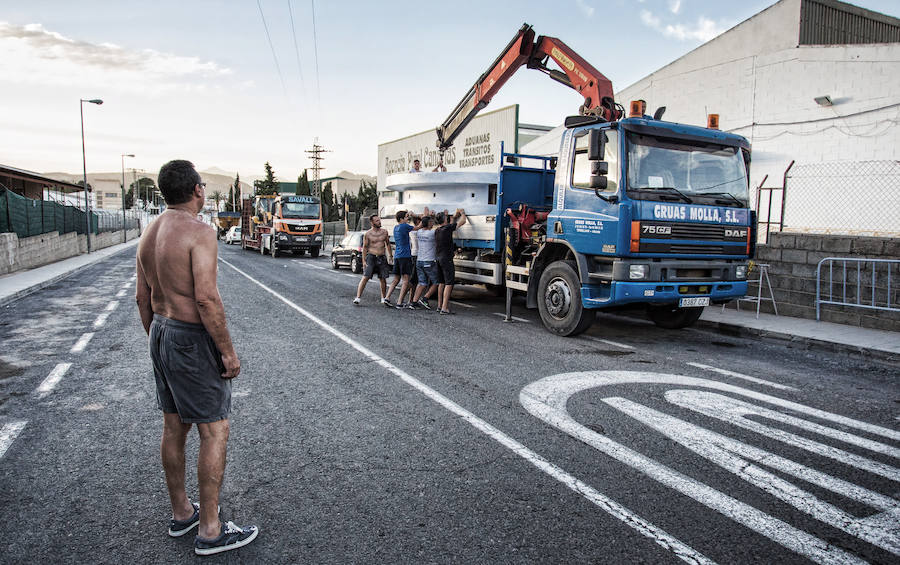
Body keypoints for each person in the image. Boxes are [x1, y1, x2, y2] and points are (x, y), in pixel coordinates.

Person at [135, 160, 258, 556]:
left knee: (174, 426)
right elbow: (206, 298)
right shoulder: (200, 232)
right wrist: (227, 352)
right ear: (197, 191)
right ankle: (210, 530)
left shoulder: (149, 233)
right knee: (214, 429)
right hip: (188, 336)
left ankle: (182, 513)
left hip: (161, 331)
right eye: (202, 185)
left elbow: (142, 298)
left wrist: (160, 340)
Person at [353, 214, 393, 306]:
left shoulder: (384, 232)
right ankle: (358, 297)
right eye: (377, 221)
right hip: (371, 257)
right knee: (365, 277)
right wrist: (363, 261)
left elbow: (388, 244)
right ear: (372, 222)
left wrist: (390, 255)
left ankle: (383, 298)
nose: (379, 222)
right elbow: (365, 248)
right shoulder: (368, 234)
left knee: (382, 278)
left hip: (382, 257)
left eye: (379, 220)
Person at [434, 209, 467, 314]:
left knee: (441, 282)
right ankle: (444, 308)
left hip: (438, 258)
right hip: (446, 259)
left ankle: (439, 306)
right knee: (449, 283)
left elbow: (452, 223)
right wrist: (462, 214)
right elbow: (463, 221)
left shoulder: (438, 230)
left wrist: (454, 216)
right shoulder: (447, 228)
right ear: (445, 220)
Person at [384, 210, 416, 309]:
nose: (408, 219)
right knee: (406, 280)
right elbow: (418, 227)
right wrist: (415, 215)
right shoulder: (404, 226)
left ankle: (387, 297)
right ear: (401, 219)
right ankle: (399, 302)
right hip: (405, 256)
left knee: (396, 279)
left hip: (397, 255)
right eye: (406, 217)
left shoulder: (396, 227)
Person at [411, 215, 439, 309]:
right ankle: (425, 298)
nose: (433, 223)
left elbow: (419, 226)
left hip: (419, 260)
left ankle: (414, 302)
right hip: (429, 261)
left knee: (422, 283)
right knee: (436, 282)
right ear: (428, 223)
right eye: (431, 222)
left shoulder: (418, 232)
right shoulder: (432, 233)